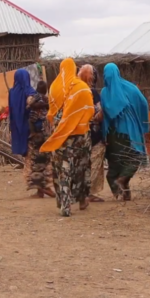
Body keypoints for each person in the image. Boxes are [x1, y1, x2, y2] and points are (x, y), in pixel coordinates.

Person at [41, 58, 95, 217]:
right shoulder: (82, 88)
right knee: (81, 168)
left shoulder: (54, 87)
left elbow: (50, 113)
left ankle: (65, 205)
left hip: (61, 135)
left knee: (63, 169)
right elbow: (90, 110)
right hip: (80, 136)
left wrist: (61, 123)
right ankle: (83, 199)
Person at [100, 63, 149, 201]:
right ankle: (122, 182)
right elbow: (144, 104)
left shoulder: (104, 92)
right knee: (135, 157)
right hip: (130, 132)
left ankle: (121, 191)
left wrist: (104, 135)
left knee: (115, 163)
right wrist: (143, 125)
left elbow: (104, 115)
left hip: (113, 134)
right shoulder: (131, 88)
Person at [9, 70, 55, 198]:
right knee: (43, 159)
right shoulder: (30, 93)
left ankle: (40, 190)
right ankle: (45, 187)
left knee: (32, 160)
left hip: (22, 130)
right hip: (37, 131)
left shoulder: (12, 93)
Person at [78, 64, 105, 202]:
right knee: (94, 162)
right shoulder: (92, 93)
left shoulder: (73, 91)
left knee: (82, 162)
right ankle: (89, 192)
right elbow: (98, 113)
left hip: (78, 134)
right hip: (93, 133)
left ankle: (81, 191)